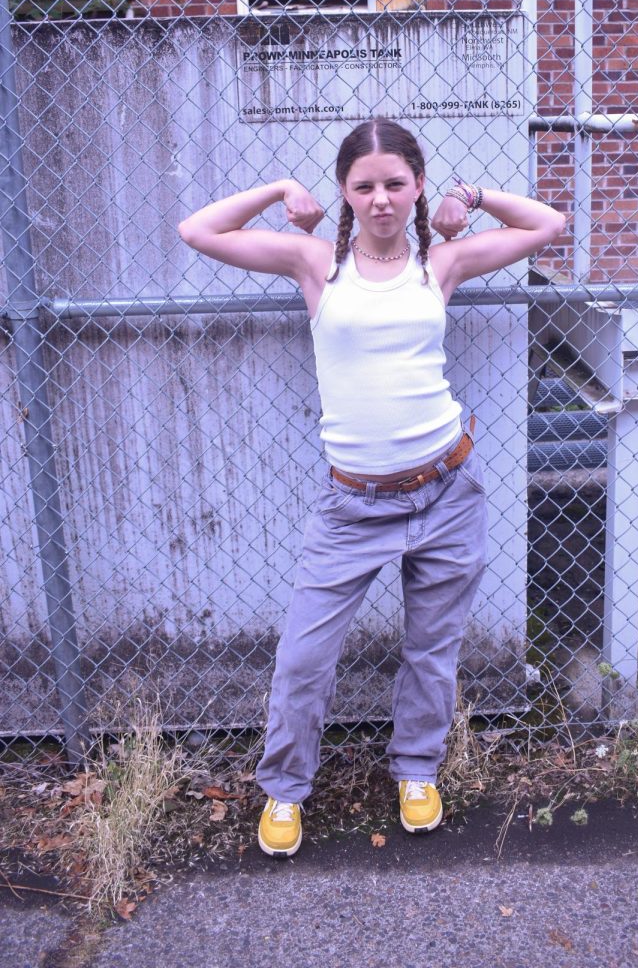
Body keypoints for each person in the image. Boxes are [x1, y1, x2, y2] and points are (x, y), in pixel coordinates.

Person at [178, 118, 565, 857]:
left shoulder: (439, 264)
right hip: (353, 506)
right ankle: (286, 789)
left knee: (432, 648)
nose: (381, 199)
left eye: (395, 183)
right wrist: (280, 190)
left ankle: (417, 770)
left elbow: (549, 223)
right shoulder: (315, 262)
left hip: (448, 491)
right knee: (303, 657)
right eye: (364, 186)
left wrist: (475, 198)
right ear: (345, 193)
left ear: (416, 186)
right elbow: (197, 230)